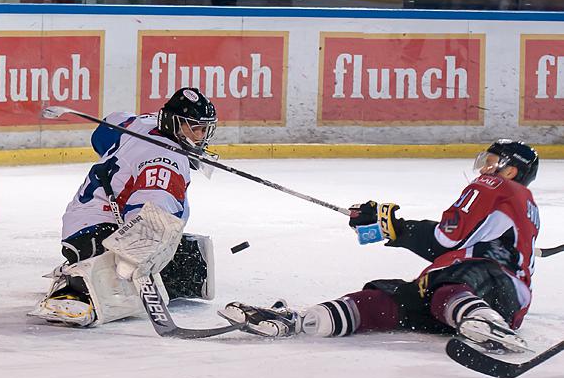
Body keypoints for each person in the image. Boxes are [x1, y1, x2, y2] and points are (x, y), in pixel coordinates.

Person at [221, 140, 540, 353]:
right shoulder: (520, 204)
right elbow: (445, 248)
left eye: (493, 162)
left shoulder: (495, 186)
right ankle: (301, 320)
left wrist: (393, 226)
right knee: (386, 299)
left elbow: (445, 238)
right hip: (475, 298)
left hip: (487, 288)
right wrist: (388, 228)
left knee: (446, 285)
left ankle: (486, 324)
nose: (484, 168)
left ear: (510, 170)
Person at [30, 87, 219, 327]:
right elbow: (150, 217)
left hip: (83, 222)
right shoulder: (166, 161)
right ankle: (74, 285)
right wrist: (132, 257)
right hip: (97, 232)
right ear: (174, 123)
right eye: (195, 128)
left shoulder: (143, 123)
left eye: (204, 129)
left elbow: (104, 131)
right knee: (126, 284)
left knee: (188, 263)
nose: (201, 136)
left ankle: (91, 271)